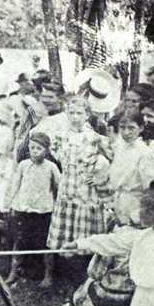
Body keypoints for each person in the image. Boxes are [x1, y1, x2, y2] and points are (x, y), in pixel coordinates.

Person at [44, 95, 110, 288]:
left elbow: (108, 160)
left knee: (85, 234)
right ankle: (59, 275)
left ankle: (85, 279)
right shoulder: (60, 135)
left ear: (87, 115)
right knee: (64, 233)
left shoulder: (95, 138)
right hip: (67, 190)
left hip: (86, 193)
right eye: (71, 113)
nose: (75, 117)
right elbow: (56, 154)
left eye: (79, 113)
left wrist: (98, 175)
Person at [5, 132, 60, 286]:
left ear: (46, 150)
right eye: (32, 148)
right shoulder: (23, 165)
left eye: (39, 148)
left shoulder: (51, 167)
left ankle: (48, 275)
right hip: (24, 209)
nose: (35, 151)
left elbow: (59, 188)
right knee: (19, 241)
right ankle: (13, 271)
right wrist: (10, 203)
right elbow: (15, 184)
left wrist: (56, 205)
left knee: (45, 243)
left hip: (44, 211)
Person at [105, 109, 154, 225]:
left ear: (141, 128)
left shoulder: (144, 153)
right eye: (122, 127)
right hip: (119, 202)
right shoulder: (120, 149)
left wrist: (139, 214)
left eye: (131, 128)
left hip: (135, 204)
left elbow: (150, 187)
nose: (126, 132)